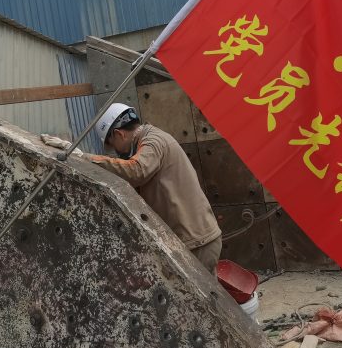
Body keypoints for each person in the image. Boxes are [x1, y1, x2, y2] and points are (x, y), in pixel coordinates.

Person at [41, 103, 222, 275]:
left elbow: (136, 170)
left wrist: (83, 158)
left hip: (197, 243)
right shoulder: (151, 139)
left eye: (112, 145)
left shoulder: (153, 141)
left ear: (119, 134)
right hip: (198, 239)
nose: (115, 151)